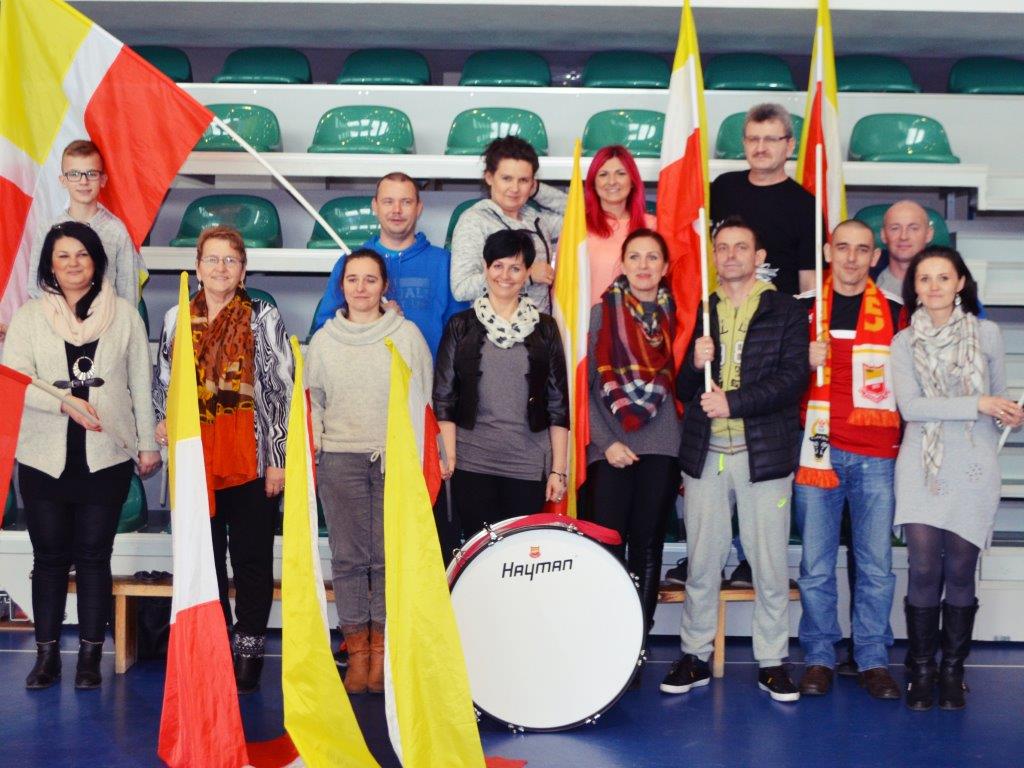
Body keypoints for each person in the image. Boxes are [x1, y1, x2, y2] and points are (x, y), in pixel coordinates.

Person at [3, 221, 160, 691]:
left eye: (82, 255)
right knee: (49, 558)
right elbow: (15, 382)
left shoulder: (124, 315)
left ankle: (91, 657)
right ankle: (46, 657)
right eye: (63, 256)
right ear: (49, 266)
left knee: (94, 557)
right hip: (42, 457)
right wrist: (64, 403)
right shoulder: (29, 317)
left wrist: (148, 443)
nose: (73, 264)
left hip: (105, 457)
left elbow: (141, 385)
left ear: (97, 262)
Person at [660, 216, 808, 703]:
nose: (730, 255)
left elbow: (792, 380)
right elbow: (686, 389)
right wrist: (694, 363)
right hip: (707, 454)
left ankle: (772, 662)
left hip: (762, 454)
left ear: (759, 257)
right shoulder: (706, 308)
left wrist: (734, 402)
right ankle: (694, 656)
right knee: (703, 562)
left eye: (740, 247)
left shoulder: (786, 310)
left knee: (769, 564)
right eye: (722, 247)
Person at [153, 225, 292, 694]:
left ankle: (249, 651)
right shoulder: (176, 317)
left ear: (243, 270)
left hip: (250, 458)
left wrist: (278, 458)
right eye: (212, 259)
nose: (220, 268)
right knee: (205, 559)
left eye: (230, 260)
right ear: (197, 267)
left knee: (251, 560)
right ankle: (213, 647)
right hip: (196, 460)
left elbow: (280, 390)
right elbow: (163, 381)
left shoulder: (262, 316)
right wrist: (163, 420)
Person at [892, 246, 1023, 711]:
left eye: (943, 278)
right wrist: (978, 404)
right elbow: (912, 407)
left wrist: (1009, 413)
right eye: (924, 278)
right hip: (922, 465)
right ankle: (921, 671)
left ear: (960, 283)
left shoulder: (987, 334)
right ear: (914, 287)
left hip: (974, 463)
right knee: (925, 569)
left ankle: (953, 672)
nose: (933, 287)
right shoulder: (903, 341)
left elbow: (1000, 397)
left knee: (961, 570)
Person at [306, 249, 433, 695]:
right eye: (352, 279)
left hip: (394, 459)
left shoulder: (407, 336)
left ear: (385, 286)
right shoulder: (324, 341)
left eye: (370, 280)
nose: (361, 288)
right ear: (341, 286)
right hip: (340, 459)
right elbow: (313, 400)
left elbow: (425, 399)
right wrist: (317, 442)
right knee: (348, 559)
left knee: (387, 559)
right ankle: (356, 654)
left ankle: (382, 654)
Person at [794, 220, 902, 700]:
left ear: (875, 257)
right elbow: (775, 378)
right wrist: (802, 359)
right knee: (816, 566)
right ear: (828, 252)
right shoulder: (802, 310)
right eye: (843, 248)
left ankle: (872, 658)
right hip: (817, 450)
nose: (852, 258)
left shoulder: (896, 312)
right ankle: (819, 656)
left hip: (876, 455)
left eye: (862, 250)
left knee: (876, 566)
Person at [585, 228, 680, 681]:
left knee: (647, 546)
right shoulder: (600, 313)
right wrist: (606, 442)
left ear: (665, 267)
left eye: (652, 258)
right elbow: (584, 385)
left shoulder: (680, 317)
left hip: (662, 443)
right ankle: (607, 641)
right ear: (622, 264)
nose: (644, 266)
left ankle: (636, 644)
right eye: (635, 257)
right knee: (607, 547)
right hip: (609, 445)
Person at [434, 229, 569, 536]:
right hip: (471, 461)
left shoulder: (546, 329)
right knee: (479, 552)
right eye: (498, 265)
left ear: (527, 273)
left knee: (519, 554)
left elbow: (558, 403)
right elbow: (444, 397)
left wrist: (558, 470)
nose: (505, 276)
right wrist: (449, 457)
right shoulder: (460, 326)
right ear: (485, 267)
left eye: (515, 268)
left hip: (527, 463)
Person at [310, 172, 467, 357]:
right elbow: (324, 330)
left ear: (419, 208)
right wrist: (374, 317)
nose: (397, 210)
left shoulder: (444, 263)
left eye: (406, 202)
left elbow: (460, 334)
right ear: (375, 206)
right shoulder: (351, 263)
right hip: (365, 371)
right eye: (388, 201)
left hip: (425, 373)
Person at [450, 136, 565, 313]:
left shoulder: (538, 220)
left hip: (540, 326)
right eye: (507, 178)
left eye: (523, 180)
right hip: (493, 328)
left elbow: (582, 213)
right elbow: (462, 289)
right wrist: (527, 276)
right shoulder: (474, 220)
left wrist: (537, 191)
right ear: (489, 177)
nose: (515, 188)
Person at [710, 103, 816, 296]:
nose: (760, 148)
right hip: (722, 308)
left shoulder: (806, 206)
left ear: (789, 145)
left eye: (770, 140)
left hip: (780, 313)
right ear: (744, 143)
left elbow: (809, 283)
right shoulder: (722, 188)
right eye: (753, 139)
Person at [29, 140, 142, 306]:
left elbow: (128, 294)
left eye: (91, 173)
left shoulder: (117, 231)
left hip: (106, 319)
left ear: (103, 179)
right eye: (74, 174)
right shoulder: (47, 230)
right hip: (56, 318)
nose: (83, 181)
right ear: (63, 180)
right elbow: (36, 287)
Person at [584, 145, 656, 305]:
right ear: (593, 183)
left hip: (643, 319)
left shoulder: (652, 226)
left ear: (632, 181)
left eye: (621, 173)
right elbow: (562, 288)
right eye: (603, 174)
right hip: (590, 319)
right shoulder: (577, 228)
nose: (612, 181)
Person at [874, 200, 934, 298]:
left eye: (913, 228)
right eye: (895, 228)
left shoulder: (947, 288)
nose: (903, 236)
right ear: (883, 235)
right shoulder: (864, 286)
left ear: (928, 234)